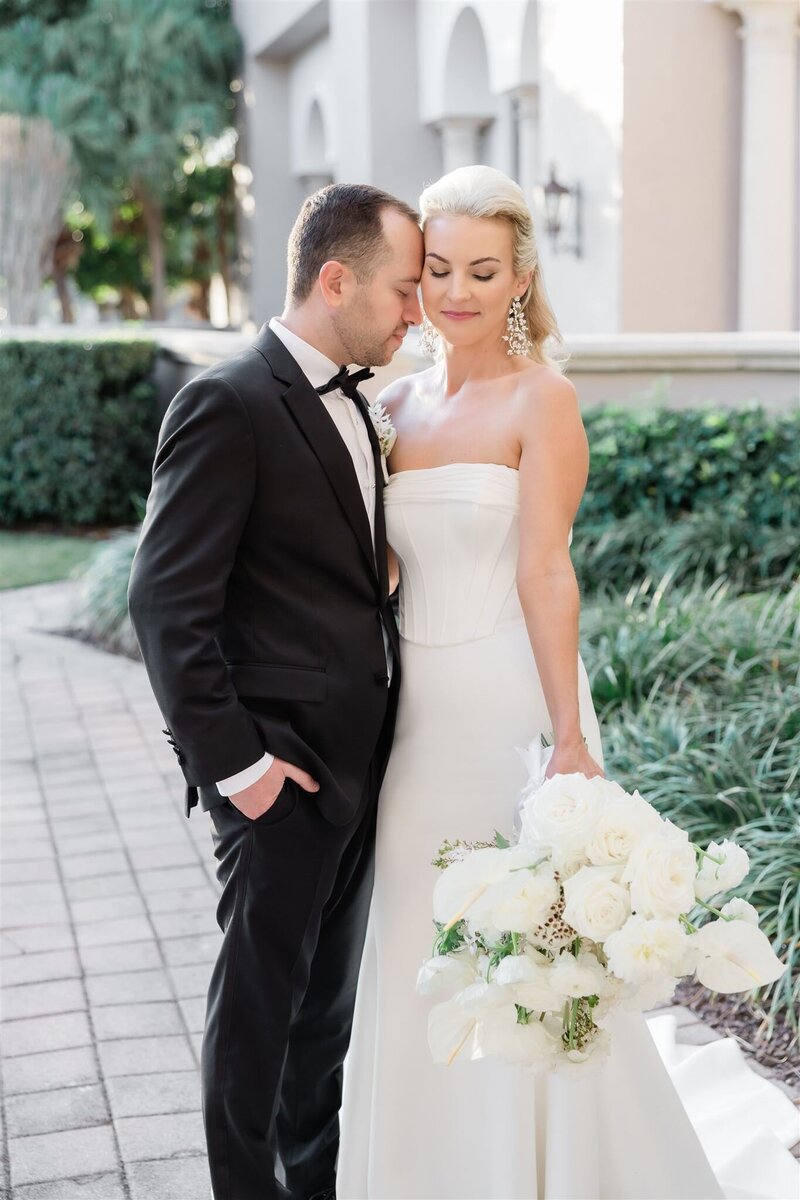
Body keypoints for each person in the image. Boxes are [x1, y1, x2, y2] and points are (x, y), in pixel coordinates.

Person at [337, 165, 729, 1199]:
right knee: (420, 934)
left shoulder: (541, 399)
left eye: (481, 270)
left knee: (518, 950)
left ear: (517, 280)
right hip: (407, 717)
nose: (456, 291)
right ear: (412, 277)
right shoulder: (391, 405)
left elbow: (545, 570)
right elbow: (377, 568)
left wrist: (568, 739)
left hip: (507, 705)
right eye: (438, 269)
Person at [127, 183, 423, 1200]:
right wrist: (239, 769)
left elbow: (332, 569)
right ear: (334, 279)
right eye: (401, 288)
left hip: (358, 768)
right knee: (256, 1019)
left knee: (320, 1018)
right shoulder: (228, 400)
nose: (413, 311)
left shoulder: (359, 400)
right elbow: (166, 604)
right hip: (279, 773)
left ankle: (315, 1187)